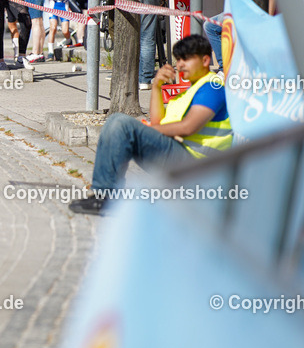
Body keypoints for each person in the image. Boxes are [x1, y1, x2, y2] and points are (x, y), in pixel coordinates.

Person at [70, 34, 231, 215]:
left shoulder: (212, 87)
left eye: (186, 59)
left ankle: (106, 197)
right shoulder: (189, 91)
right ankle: (105, 194)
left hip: (201, 166)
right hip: (183, 158)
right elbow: (158, 124)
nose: (180, 65)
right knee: (117, 120)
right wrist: (156, 86)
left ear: (205, 60)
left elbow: (188, 127)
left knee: (121, 124)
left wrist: (148, 130)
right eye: (178, 60)